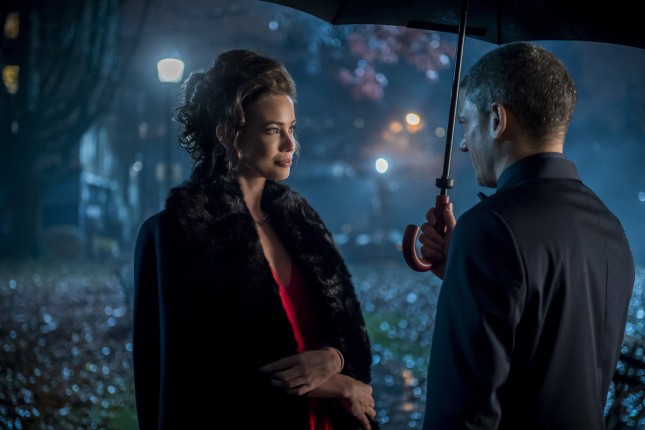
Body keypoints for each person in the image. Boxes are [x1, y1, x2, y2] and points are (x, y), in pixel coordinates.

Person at [132, 49, 378, 429]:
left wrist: (336, 358)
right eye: (273, 130)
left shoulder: (302, 223)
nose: (290, 145)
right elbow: (201, 371)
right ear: (229, 134)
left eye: (291, 128)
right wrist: (338, 385)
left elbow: (349, 329)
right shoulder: (177, 234)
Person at [417, 42, 635, 429]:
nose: (464, 144)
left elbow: (463, 411)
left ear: (497, 119)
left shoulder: (490, 227)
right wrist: (462, 270)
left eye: (466, 123)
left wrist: (473, 252)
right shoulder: (609, 227)